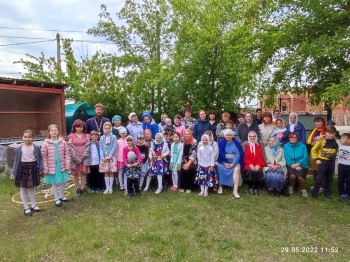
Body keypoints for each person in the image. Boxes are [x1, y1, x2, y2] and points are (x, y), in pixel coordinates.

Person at [11, 130, 43, 216]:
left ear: (33, 138)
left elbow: (40, 159)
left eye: (29, 137)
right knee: (23, 188)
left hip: (33, 168)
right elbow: (16, 161)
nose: (27, 139)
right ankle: (26, 207)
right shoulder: (19, 148)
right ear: (22, 137)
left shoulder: (36, 147)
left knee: (32, 188)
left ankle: (33, 205)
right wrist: (13, 172)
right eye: (25, 137)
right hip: (22, 168)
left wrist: (40, 169)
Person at [41, 124, 70, 207]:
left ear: (58, 131)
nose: (54, 132)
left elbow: (67, 154)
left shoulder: (63, 142)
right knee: (54, 183)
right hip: (52, 167)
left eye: (55, 130)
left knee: (63, 182)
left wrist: (67, 165)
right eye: (52, 130)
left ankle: (61, 196)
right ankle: (56, 198)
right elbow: (44, 157)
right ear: (49, 132)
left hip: (62, 165)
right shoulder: (45, 144)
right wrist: (45, 169)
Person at [311, 125, 338, 198]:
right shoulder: (321, 140)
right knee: (319, 178)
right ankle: (315, 192)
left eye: (333, 133)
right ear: (326, 133)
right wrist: (316, 159)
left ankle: (327, 192)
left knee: (330, 177)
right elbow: (313, 150)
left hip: (332, 162)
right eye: (330, 133)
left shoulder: (335, 141)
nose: (331, 135)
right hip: (323, 162)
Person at [217, 129, 244, 198]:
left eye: (230, 135)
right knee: (219, 167)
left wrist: (233, 164)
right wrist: (224, 163)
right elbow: (219, 154)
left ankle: (235, 190)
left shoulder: (236, 143)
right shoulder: (221, 143)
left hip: (234, 162)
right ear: (224, 136)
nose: (228, 136)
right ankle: (220, 186)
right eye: (227, 135)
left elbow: (238, 155)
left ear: (232, 136)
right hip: (223, 161)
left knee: (237, 169)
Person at [67, 119, 91, 196]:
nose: (79, 129)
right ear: (75, 127)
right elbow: (70, 147)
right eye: (77, 127)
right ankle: (77, 189)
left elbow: (88, 147)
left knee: (83, 173)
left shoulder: (87, 136)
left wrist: (82, 158)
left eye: (81, 127)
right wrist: (77, 159)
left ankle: (83, 188)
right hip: (75, 156)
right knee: (75, 173)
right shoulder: (71, 136)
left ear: (83, 127)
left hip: (84, 156)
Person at [284, 132, 309, 197]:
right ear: (289, 138)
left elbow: (305, 156)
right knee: (292, 176)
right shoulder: (286, 146)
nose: (293, 139)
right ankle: (291, 186)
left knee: (300, 177)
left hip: (302, 164)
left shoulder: (302, 146)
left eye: (295, 137)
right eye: (291, 137)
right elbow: (286, 156)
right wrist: (292, 165)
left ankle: (303, 189)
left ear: (297, 138)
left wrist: (298, 164)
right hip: (290, 164)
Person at [244, 131, 265, 196]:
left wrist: (258, 165)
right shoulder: (246, 145)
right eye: (250, 136)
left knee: (259, 171)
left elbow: (261, 157)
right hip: (248, 164)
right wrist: (250, 165)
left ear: (256, 137)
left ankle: (256, 188)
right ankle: (250, 187)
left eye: (253, 136)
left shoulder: (258, 145)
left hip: (257, 164)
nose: (252, 137)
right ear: (248, 137)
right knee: (250, 171)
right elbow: (245, 157)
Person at [99, 122, 117, 194]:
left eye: (108, 128)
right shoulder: (102, 137)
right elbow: (100, 148)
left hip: (111, 157)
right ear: (104, 129)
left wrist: (109, 156)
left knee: (111, 172)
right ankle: (107, 187)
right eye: (105, 128)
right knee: (106, 172)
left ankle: (110, 188)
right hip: (104, 158)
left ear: (111, 128)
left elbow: (114, 147)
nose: (107, 130)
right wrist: (102, 157)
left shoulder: (113, 137)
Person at [179, 129, 198, 193]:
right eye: (185, 134)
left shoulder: (194, 141)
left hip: (192, 160)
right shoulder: (182, 141)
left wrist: (188, 164)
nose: (187, 135)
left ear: (191, 134)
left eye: (188, 134)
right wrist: (184, 162)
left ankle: (189, 187)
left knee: (190, 169)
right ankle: (182, 186)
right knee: (182, 169)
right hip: (183, 159)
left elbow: (194, 153)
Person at [336, 133, 350, 200]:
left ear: (349, 140)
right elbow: (334, 137)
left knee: (348, 181)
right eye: (341, 138)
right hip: (341, 166)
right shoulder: (339, 144)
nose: (341, 139)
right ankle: (341, 193)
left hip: (349, 167)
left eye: (343, 138)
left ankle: (347, 194)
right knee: (340, 180)